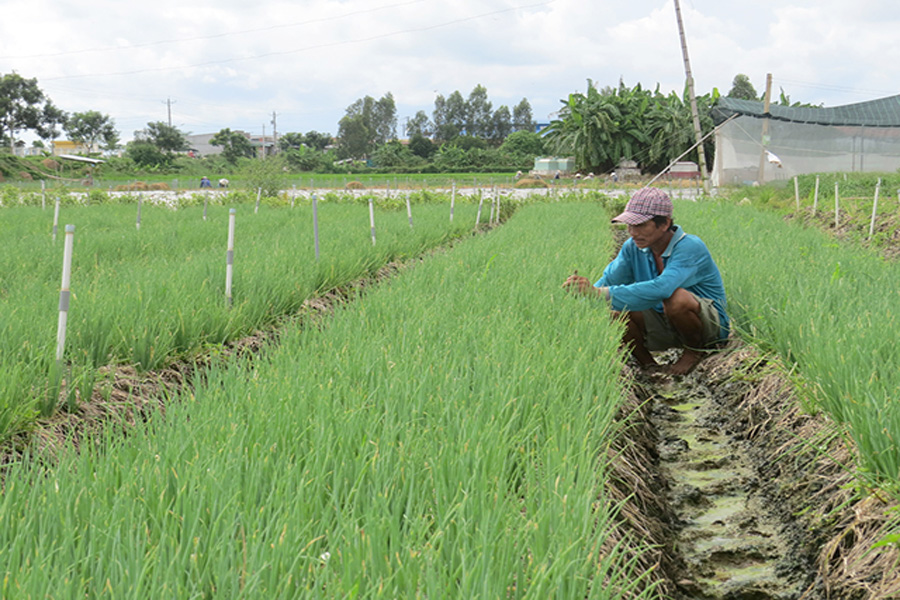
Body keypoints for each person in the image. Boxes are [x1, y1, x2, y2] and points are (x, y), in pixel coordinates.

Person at [562, 187, 729, 375]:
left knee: (676, 297)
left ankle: (693, 352)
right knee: (616, 312)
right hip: (664, 321)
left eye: (640, 225)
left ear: (664, 223)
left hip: (707, 326)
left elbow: (662, 288)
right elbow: (608, 281)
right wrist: (579, 304)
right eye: (629, 225)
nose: (633, 232)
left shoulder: (690, 247)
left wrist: (599, 293)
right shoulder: (632, 248)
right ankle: (650, 367)